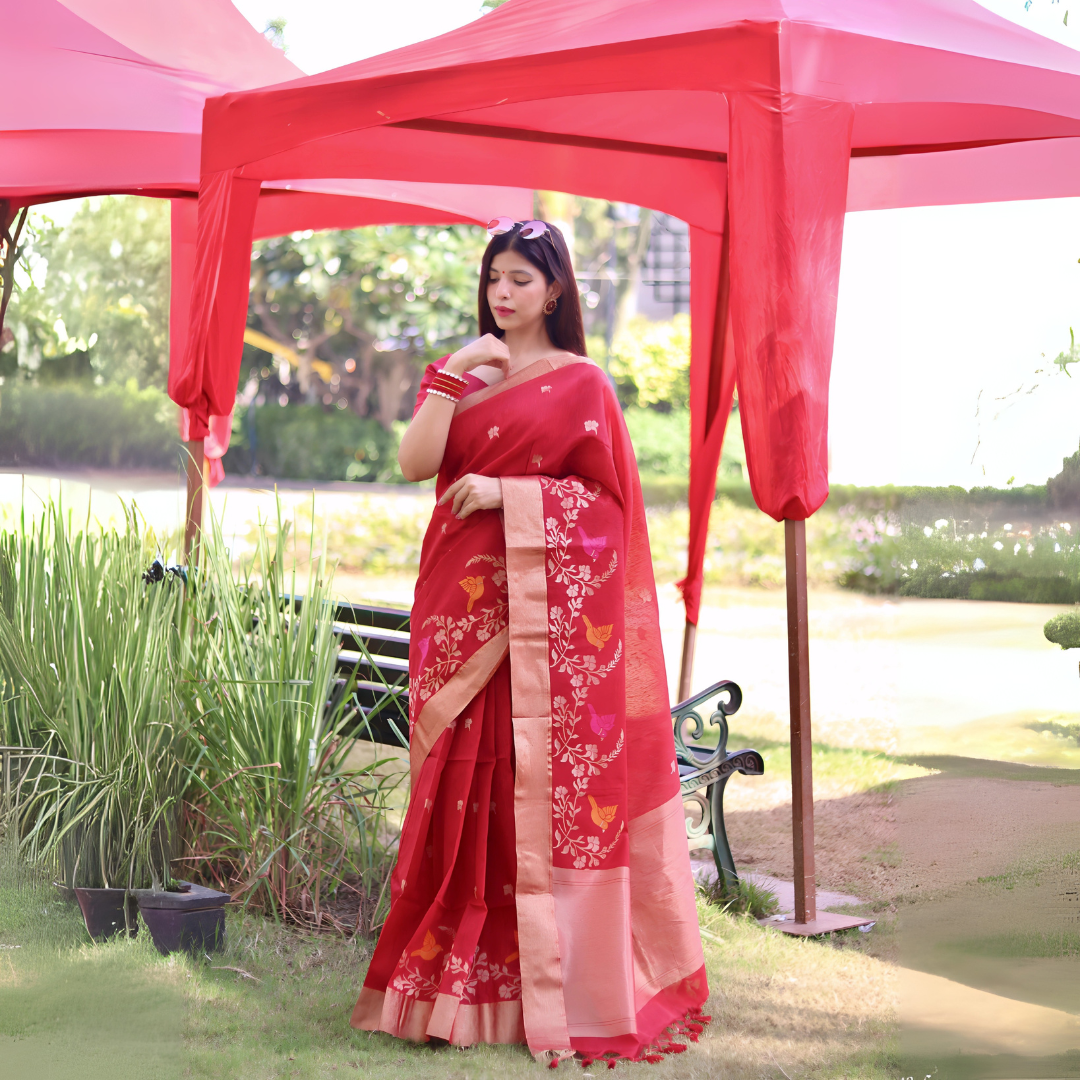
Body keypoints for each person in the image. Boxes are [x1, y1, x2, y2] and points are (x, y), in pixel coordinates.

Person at [351, 219, 707, 1064]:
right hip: (459, 617)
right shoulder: (467, 380)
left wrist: (509, 495)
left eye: (520, 280)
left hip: (537, 635)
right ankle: (444, 990)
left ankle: (535, 989)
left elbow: (611, 516)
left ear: (556, 291)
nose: (502, 295)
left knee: (527, 799)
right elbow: (413, 462)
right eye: (493, 280)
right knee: (456, 796)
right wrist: (451, 373)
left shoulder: (582, 384)